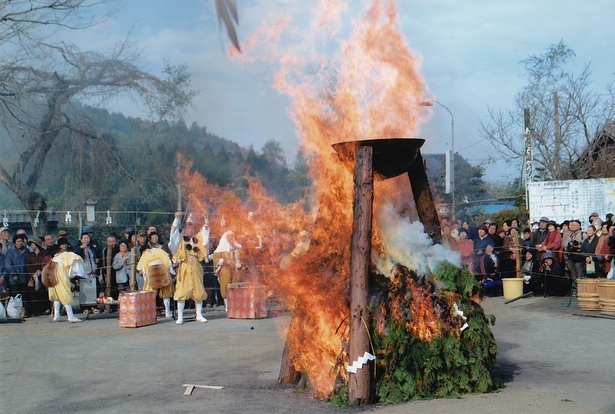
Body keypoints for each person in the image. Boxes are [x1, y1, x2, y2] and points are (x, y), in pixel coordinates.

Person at [169, 211, 208, 324]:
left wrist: (206, 218)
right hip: (184, 267)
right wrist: (177, 219)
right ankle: (180, 317)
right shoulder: (180, 239)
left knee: (198, 290)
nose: (190, 229)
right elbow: (173, 235)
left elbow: (206, 235)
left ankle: (199, 315)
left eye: (192, 227)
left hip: (196, 266)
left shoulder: (198, 238)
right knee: (182, 291)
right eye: (188, 226)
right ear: (185, 228)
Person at [44, 251, 85, 322]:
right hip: (59, 270)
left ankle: (56, 315)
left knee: (56, 293)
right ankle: (70, 316)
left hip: (52, 268)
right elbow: (75, 272)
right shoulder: (75, 257)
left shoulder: (60, 256)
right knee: (64, 291)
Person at [137, 245, 173, 318]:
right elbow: (167, 261)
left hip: (151, 270)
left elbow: (143, 269)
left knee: (150, 292)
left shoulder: (144, 254)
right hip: (162, 268)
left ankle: (150, 312)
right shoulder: (159, 250)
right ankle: (167, 312)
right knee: (166, 292)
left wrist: (146, 280)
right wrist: (170, 271)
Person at [213, 230, 242, 311]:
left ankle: (235, 304)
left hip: (235, 270)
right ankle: (227, 306)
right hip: (225, 269)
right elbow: (215, 259)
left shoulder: (236, 247)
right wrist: (222, 261)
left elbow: (241, 259)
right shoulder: (220, 249)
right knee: (225, 286)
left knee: (235, 286)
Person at [25, 237, 52, 316]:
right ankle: (36, 310)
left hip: (43, 276)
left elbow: (47, 263)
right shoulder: (30, 255)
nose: (31, 245)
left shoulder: (45, 253)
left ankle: (45, 309)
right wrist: (34, 273)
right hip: (33, 277)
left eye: (32, 243)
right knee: (34, 294)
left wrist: (42, 270)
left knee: (43, 293)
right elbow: (28, 265)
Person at [5, 234, 29, 308]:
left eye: (21, 241)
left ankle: (25, 310)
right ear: (15, 242)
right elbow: (8, 264)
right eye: (18, 241)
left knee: (25, 295)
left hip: (24, 277)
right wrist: (13, 274)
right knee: (16, 296)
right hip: (13, 279)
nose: (20, 243)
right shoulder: (10, 252)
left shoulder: (26, 251)